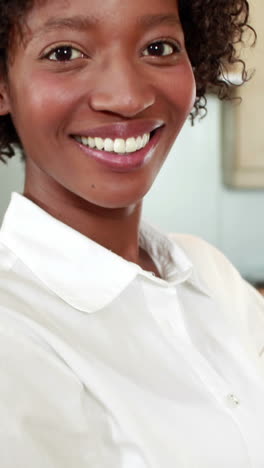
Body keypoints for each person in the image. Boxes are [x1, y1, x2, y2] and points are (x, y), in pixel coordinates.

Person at [0, 0, 263, 466]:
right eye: (64, 53)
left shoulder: (206, 269)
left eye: (159, 47)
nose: (126, 97)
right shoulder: (12, 333)